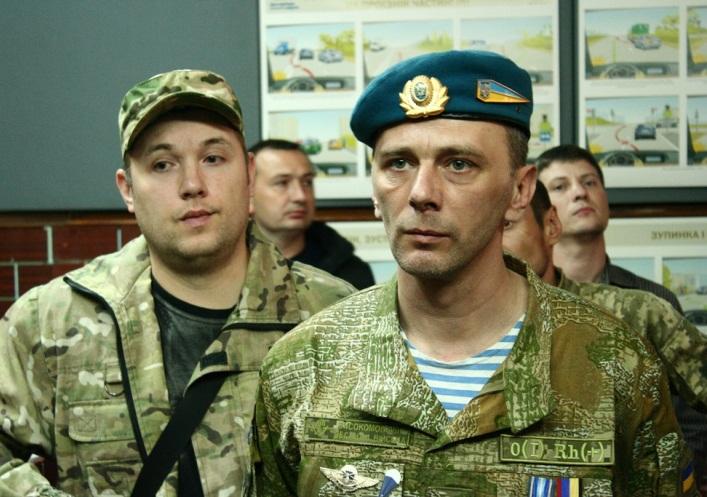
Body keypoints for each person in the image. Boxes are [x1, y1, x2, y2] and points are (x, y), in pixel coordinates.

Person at [254, 50, 695, 495]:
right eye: (398, 163)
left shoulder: (614, 364)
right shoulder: (304, 365)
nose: (421, 193)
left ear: (519, 190)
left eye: (459, 164)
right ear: (373, 188)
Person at [0, 70, 355, 497]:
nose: (192, 186)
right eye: (162, 165)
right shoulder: (52, 320)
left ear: (249, 174)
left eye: (213, 159)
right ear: (128, 190)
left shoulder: (334, 316)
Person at [503, 181, 707, 493]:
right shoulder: (448, 335)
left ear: (551, 226)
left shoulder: (635, 314)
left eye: (506, 225)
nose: (491, 243)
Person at [536, 144, 683, 312]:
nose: (580, 192)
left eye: (589, 182)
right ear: (543, 211)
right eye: (559, 187)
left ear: (605, 198)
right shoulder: (525, 300)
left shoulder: (656, 301)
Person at [249, 139, 375, 289]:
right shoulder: (228, 268)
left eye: (307, 182)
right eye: (282, 183)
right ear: (248, 192)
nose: (300, 196)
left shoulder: (349, 275)